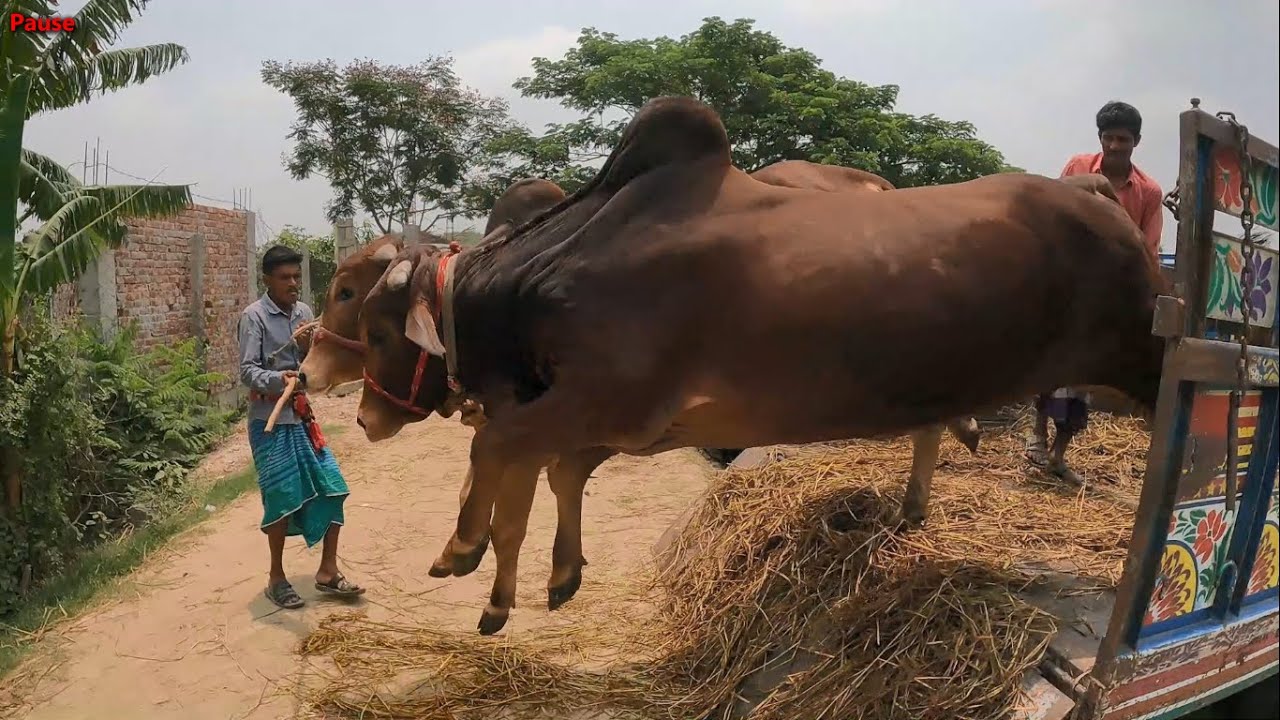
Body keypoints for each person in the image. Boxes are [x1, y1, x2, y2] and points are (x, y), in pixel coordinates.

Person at [1028, 101, 1165, 482]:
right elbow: (1052, 213)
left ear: (1136, 142)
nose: (1116, 146)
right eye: (1110, 138)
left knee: (1084, 377)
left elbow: (1148, 248)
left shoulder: (1149, 191)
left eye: (1124, 139)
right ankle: (1036, 435)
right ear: (1100, 139)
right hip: (1067, 282)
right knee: (1047, 365)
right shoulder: (1077, 169)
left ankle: (1058, 455)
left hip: (1107, 294)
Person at [238, 244, 364, 609]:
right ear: (267, 280)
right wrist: (281, 379)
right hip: (270, 423)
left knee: (334, 488)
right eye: (285, 278)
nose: (293, 283)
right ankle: (276, 578)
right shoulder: (255, 317)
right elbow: (247, 371)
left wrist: (313, 352)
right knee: (281, 500)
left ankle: (327, 572)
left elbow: (313, 358)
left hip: (304, 418)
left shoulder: (305, 313)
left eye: (296, 276)